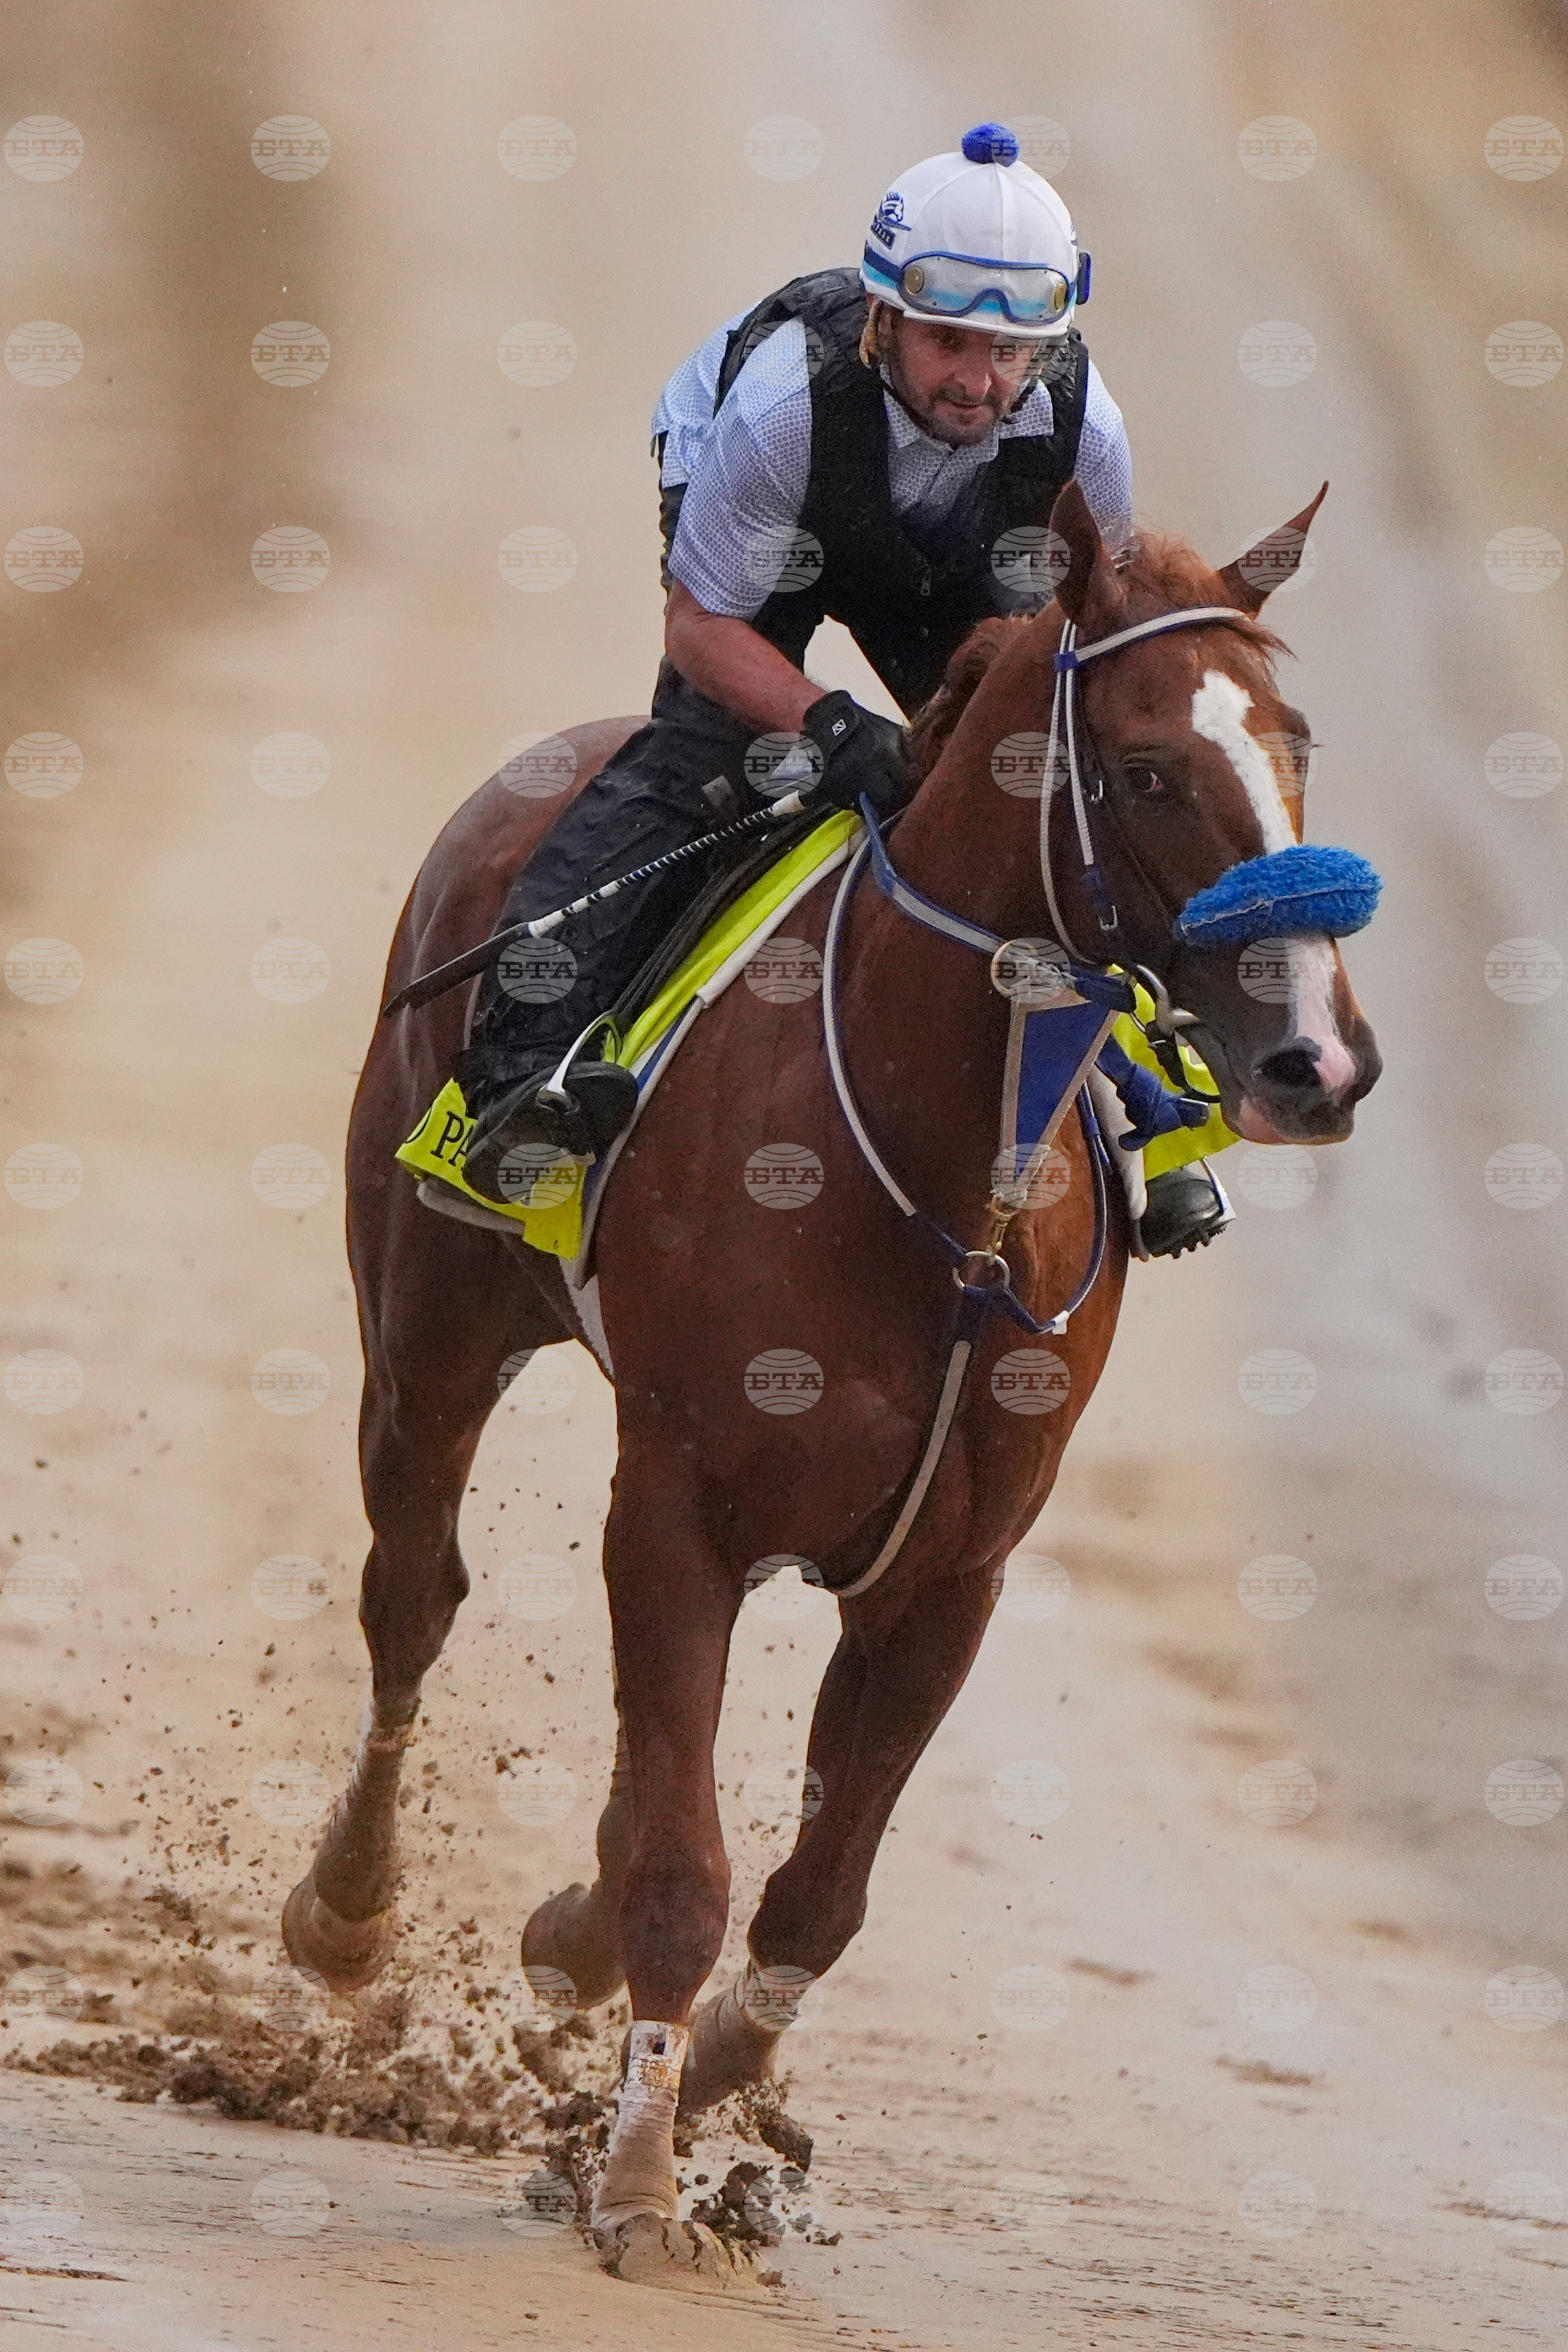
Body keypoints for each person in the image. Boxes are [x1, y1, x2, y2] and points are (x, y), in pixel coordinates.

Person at [457, 122, 1230, 1257]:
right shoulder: (783, 408)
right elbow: (702, 624)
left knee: (1042, 793)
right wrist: (827, 724)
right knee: (710, 768)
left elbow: (1094, 640)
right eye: (950, 343)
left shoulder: (1082, 426)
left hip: (961, 551)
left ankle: (1149, 1108)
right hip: (769, 546)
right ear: (885, 318)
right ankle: (525, 1079)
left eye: (1012, 354)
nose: (979, 381)